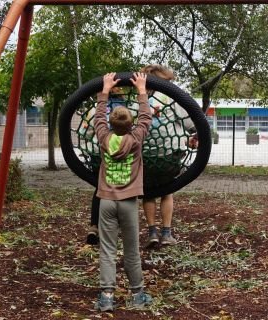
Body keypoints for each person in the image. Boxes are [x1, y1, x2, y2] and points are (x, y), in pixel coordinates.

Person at [93, 72, 152, 312]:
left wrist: (105, 90)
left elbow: (98, 117)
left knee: (107, 250)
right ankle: (137, 294)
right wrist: (141, 90)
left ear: (111, 124)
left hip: (106, 201)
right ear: (131, 125)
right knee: (131, 249)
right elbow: (146, 118)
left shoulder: (104, 138)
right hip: (128, 202)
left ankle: (107, 296)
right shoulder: (136, 139)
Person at [140, 64, 198, 248]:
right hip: (169, 155)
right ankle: (166, 232)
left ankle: (152, 233)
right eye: (169, 81)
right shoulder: (170, 98)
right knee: (166, 192)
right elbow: (189, 122)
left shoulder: (139, 99)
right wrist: (194, 133)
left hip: (146, 156)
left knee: (148, 194)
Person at [87, 87, 126, 245]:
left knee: (100, 188)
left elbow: (89, 129)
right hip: (123, 152)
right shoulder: (126, 107)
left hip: (99, 153)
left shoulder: (95, 109)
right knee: (123, 189)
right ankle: (119, 227)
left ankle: (94, 226)